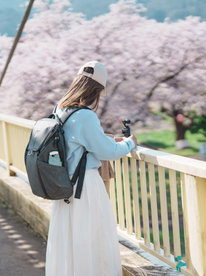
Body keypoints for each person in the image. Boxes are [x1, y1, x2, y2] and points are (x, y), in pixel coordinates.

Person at [45, 61, 137, 276]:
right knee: (93, 235)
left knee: (69, 237)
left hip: (64, 183)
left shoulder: (60, 109)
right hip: (84, 186)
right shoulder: (85, 115)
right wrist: (130, 142)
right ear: (96, 90)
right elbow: (109, 152)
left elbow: (76, 142)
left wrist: (106, 139)